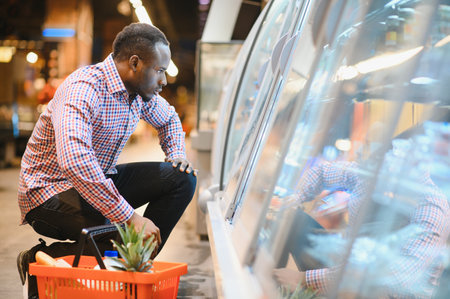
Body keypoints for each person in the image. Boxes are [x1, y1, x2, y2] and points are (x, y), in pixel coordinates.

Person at [16, 23, 197, 298]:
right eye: (160, 71)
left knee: (181, 177)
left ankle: (133, 268)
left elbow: (170, 119)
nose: (164, 81)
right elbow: (75, 162)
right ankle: (42, 258)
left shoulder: (139, 93)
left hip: (95, 182)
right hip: (47, 193)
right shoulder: (83, 88)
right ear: (135, 63)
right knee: (117, 230)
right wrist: (130, 217)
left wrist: (176, 154)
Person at [274, 135, 449, 298]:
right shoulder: (375, 173)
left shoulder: (431, 206)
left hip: (384, 292)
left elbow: (395, 278)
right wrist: (297, 197)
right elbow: (322, 172)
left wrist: (303, 279)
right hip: (349, 267)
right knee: (293, 220)